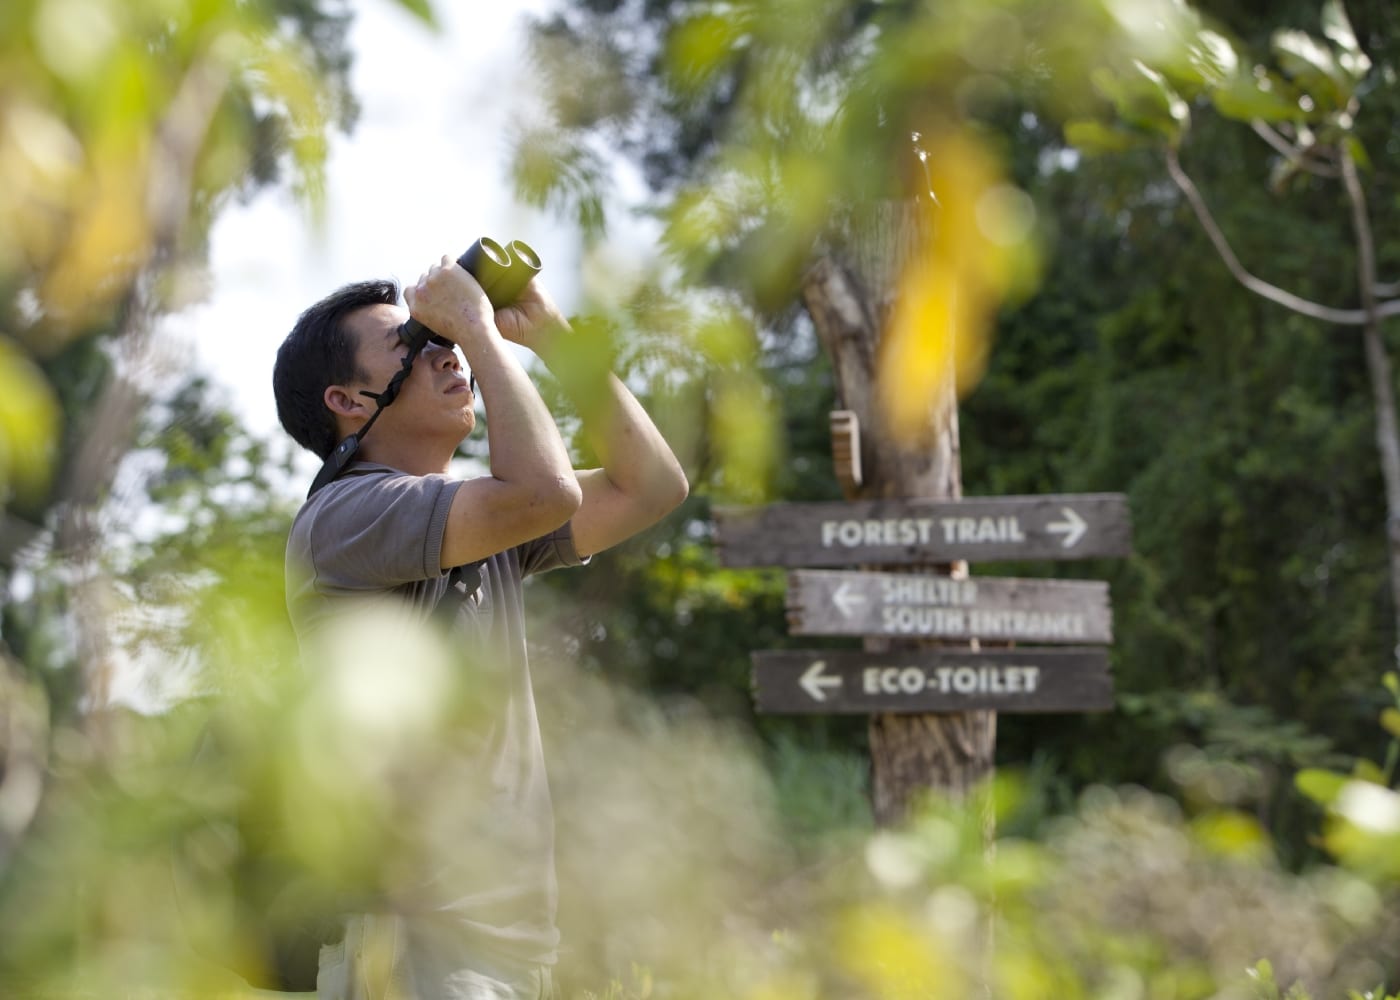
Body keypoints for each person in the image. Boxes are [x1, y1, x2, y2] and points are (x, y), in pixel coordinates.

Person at [271, 253, 689, 999]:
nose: (446, 353)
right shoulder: (346, 519)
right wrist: (479, 332)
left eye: (442, 339)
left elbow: (652, 485)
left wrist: (552, 334)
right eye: (412, 346)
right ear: (347, 400)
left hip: (508, 945)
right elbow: (545, 491)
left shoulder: (473, 520)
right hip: (413, 943)